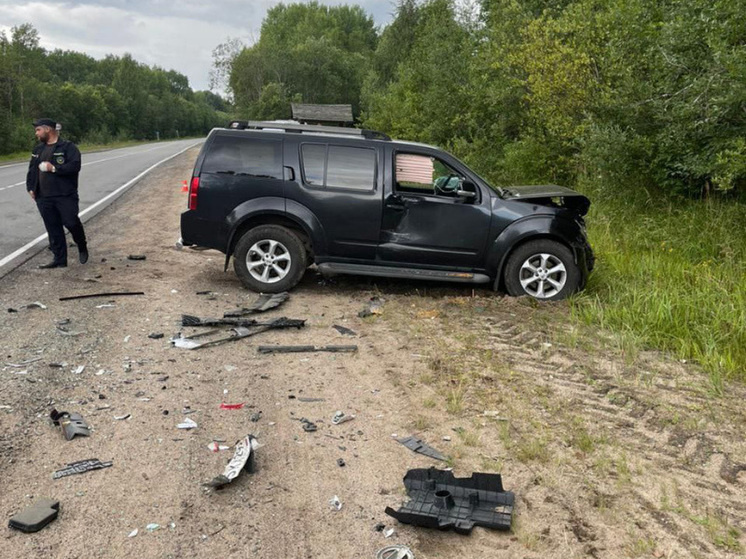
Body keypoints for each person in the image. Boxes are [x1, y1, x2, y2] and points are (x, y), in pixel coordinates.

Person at [26, 118, 88, 268]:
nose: (36, 133)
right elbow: (32, 170)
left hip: (65, 195)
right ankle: (60, 259)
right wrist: (31, 187)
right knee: (53, 228)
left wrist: (54, 168)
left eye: (38, 130)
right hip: (43, 196)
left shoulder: (68, 147)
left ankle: (81, 244)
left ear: (48, 129)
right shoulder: (38, 150)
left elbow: (75, 166)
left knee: (71, 222)